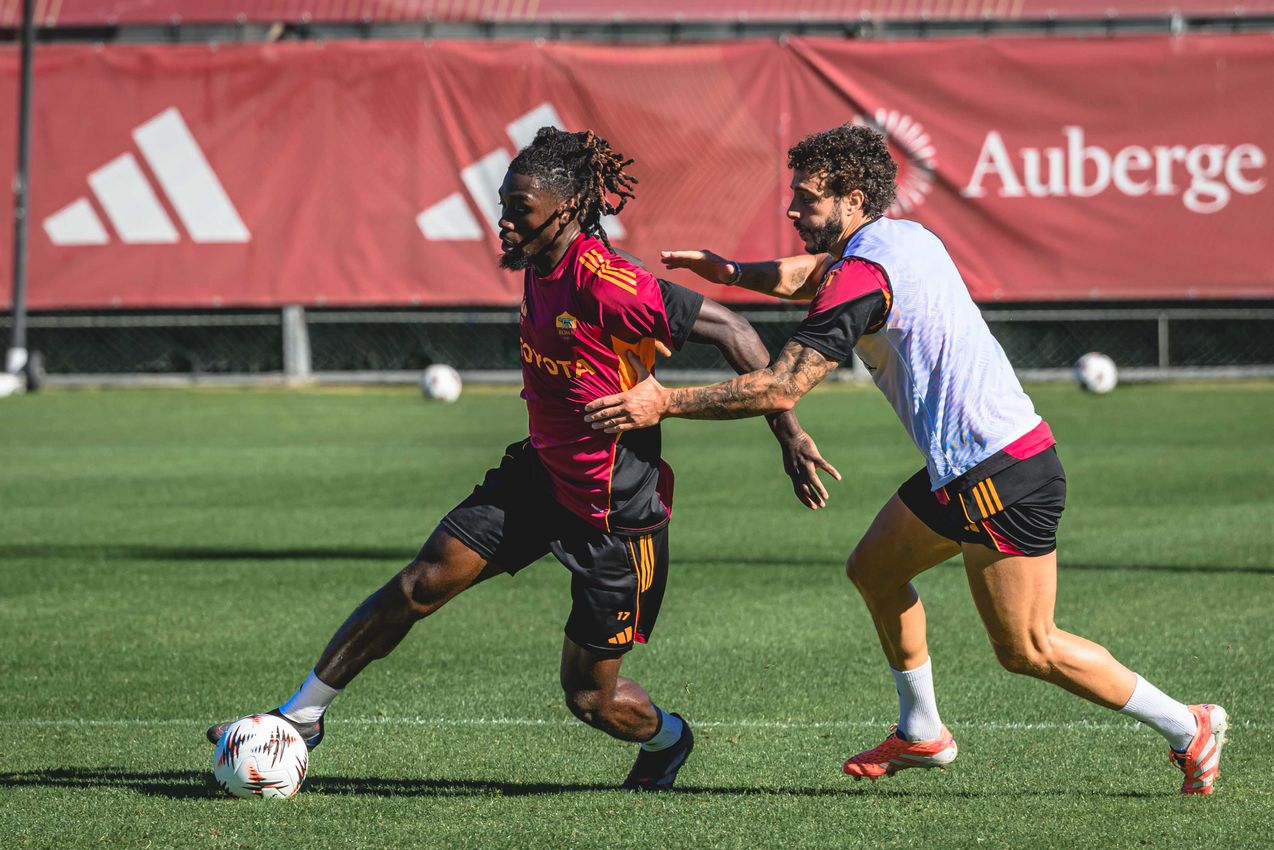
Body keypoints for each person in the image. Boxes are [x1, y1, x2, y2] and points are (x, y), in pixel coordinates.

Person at [583, 123, 1227, 795]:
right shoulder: (902, 239)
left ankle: (1188, 726)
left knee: (1028, 647)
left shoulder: (863, 270)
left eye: (806, 199)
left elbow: (780, 385)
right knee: (874, 569)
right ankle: (922, 731)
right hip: (975, 468)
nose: (792, 211)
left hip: (999, 474)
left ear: (853, 199)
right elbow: (817, 275)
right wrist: (737, 274)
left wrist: (664, 401)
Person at [207, 127, 834, 791]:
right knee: (420, 583)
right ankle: (301, 717)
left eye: (519, 210)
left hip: (615, 521)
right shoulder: (540, 265)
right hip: (537, 478)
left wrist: (787, 433)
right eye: (503, 206)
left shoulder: (610, 282)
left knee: (590, 699)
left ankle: (670, 739)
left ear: (565, 211)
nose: (503, 223)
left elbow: (733, 330)